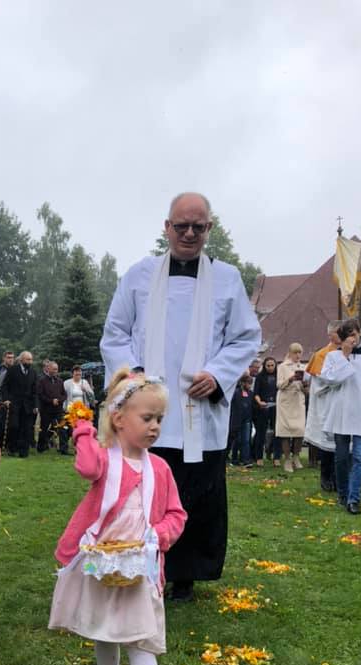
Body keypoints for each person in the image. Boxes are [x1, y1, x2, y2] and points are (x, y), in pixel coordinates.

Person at [100, 192, 261, 602]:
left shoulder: (227, 278)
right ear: (166, 227)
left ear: (209, 228)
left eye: (198, 227)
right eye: (181, 225)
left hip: (199, 408)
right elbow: (115, 332)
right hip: (147, 406)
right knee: (144, 492)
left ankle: (186, 574)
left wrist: (219, 374)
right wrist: (134, 376)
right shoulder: (138, 275)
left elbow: (245, 337)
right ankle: (138, 560)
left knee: (195, 494)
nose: (189, 233)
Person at [48, 369, 186, 665]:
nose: (155, 426)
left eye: (159, 419)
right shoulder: (105, 461)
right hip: (102, 564)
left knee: (142, 641)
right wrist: (82, 427)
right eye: (147, 418)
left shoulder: (160, 470)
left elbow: (176, 515)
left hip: (140, 570)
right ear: (119, 419)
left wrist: (159, 535)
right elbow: (86, 467)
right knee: (102, 628)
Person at [319, 321, 361, 513]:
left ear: (360, 333)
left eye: (354, 334)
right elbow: (331, 380)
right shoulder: (333, 356)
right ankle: (343, 494)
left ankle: (353, 499)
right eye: (348, 335)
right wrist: (345, 356)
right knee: (341, 458)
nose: (352, 338)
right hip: (341, 412)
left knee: (359, 457)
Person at [305, 322, 341, 491]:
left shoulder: (348, 353)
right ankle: (326, 477)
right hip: (326, 403)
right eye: (338, 332)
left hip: (342, 404)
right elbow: (319, 382)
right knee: (328, 444)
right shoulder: (322, 355)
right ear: (330, 334)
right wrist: (337, 381)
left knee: (342, 444)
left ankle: (339, 478)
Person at [276, 342, 308, 473]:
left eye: (300, 352)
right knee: (285, 431)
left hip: (298, 400)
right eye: (295, 352)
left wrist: (305, 384)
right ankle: (287, 459)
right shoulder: (282, 366)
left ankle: (296, 456)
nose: (298, 355)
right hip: (286, 400)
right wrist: (290, 379)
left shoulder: (304, 367)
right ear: (290, 353)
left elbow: (307, 390)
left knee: (299, 430)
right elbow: (279, 385)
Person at [1, 350, 37, 457]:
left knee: (26, 428)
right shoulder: (12, 370)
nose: (30, 362)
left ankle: (23, 451)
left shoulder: (33, 372)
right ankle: (12, 448)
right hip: (14, 404)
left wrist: (36, 405)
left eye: (31, 360)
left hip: (28, 405)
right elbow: (5, 386)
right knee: (14, 426)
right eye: (28, 359)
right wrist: (6, 399)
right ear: (21, 360)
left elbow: (35, 391)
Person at [253, 357, 281, 466]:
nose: (270, 367)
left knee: (277, 432)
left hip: (276, 406)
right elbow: (256, 393)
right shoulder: (260, 377)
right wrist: (259, 402)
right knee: (261, 432)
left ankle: (276, 457)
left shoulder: (279, 376)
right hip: (263, 407)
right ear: (264, 366)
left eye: (272, 365)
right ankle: (259, 457)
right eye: (268, 365)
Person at [37, 360, 66, 452]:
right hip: (46, 409)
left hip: (58, 409)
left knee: (62, 427)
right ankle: (41, 447)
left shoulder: (60, 381)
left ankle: (63, 449)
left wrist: (59, 400)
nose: (55, 371)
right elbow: (40, 395)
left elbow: (64, 394)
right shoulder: (42, 381)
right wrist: (51, 401)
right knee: (44, 428)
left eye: (56, 369)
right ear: (48, 369)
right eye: (53, 369)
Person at [227, 374, 254, 466]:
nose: (249, 385)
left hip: (247, 419)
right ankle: (234, 459)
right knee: (237, 440)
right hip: (236, 420)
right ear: (242, 383)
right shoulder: (236, 393)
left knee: (246, 440)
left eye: (250, 383)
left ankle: (245, 459)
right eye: (248, 383)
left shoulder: (251, 394)